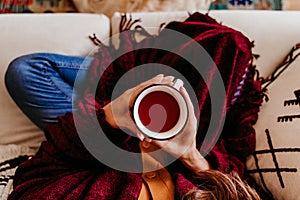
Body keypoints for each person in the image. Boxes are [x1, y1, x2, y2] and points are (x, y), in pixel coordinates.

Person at [5, 12, 266, 199]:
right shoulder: (212, 182)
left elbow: (34, 178)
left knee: (24, 73)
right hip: (171, 141)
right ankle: (134, 85)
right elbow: (236, 180)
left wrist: (105, 118)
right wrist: (192, 156)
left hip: (104, 144)